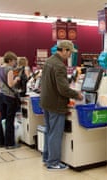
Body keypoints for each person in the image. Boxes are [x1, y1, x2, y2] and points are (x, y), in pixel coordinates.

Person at [40, 40, 83, 170]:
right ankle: (53, 162)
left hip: (46, 102)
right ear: (64, 50)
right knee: (55, 133)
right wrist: (77, 95)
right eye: (70, 52)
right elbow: (63, 90)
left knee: (49, 131)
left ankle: (47, 157)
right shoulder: (59, 65)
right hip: (56, 104)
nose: (70, 55)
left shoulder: (49, 61)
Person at [0, 51, 21, 149]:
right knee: (10, 120)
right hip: (10, 96)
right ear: (10, 60)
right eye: (14, 61)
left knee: (2, 118)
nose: (15, 63)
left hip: (1, 95)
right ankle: (10, 143)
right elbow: (11, 84)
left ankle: (1, 142)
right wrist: (17, 79)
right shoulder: (9, 69)